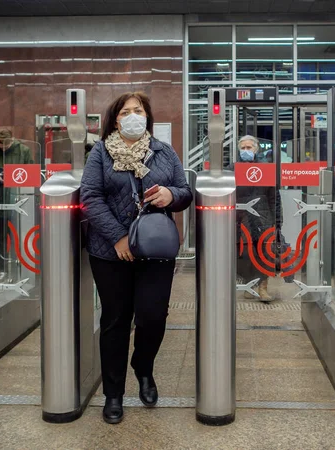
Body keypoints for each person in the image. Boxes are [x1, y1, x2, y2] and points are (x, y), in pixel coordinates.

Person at [80, 92, 192, 424]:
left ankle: (143, 367)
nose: (133, 116)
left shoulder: (164, 151)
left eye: (138, 110)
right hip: (110, 252)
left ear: (147, 116)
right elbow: (90, 195)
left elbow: (185, 192)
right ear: (115, 119)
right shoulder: (100, 152)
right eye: (126, 111)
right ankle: (113, 394)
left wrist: (171, 195)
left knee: (152, 316)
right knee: (115, 321)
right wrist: (117, 237)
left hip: (154, 249)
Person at [234, 135, 280, 301]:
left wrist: (278, 220)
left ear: (256, 149)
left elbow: (274, 196)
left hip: (263, 216)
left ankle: (263, 287)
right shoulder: (233, 169)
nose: (246, 151)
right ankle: (250, 284)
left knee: (265, 252)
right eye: (243, 148)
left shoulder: (265, 169)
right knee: (246, 253)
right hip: (242, 217)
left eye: (249, 148)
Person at [0, 130, 33, 282]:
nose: (5, 148)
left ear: (13, 140)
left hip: (20, 200)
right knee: (2, 237)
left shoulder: (23, 151)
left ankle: (19, 266)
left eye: (8, 145)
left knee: (18, 236)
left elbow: (32, 174)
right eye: (2, 145)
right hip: (1, 200)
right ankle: (3, 268)